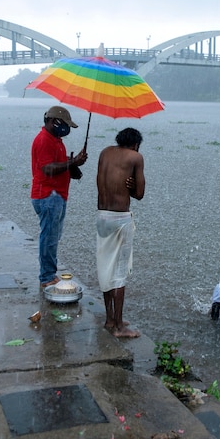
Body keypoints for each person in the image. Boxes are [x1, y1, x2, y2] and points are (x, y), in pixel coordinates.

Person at [95, 127, 145, 338]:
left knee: (105, 267)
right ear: (135, 144)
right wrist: (133, 186)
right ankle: (119, 327)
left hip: (102, 216)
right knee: (120, 272)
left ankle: (109, 319)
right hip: (119, 219)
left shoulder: (105, 152)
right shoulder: (135, 157)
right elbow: (140, 194)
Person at [31, 105, 87, 288]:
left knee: (53, 236)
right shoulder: (44, 140)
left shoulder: (56, 140)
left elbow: (58, 165)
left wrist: (73, 167)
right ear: (53, 122)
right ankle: (46, 277)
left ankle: (50, 273)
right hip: (48, 195)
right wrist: (72, 162)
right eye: (64, 124)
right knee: (48, 237)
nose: (66, 129)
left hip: (57, 195)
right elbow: (47, 169)